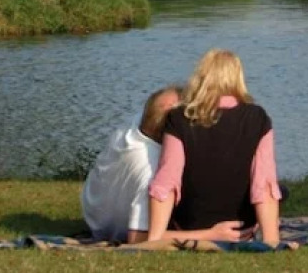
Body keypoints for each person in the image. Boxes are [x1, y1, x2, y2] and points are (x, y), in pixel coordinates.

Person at [147, 49, 281, 248]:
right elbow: (263, 184)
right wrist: (271, 240)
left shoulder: (179, 119)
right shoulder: (257, 119)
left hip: (188, 225)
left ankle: (169, 235)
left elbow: (167, 181)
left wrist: (155, 236)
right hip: (240, 230)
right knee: (278, 190)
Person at [81, 86, 243, 244]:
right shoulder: (153, 173)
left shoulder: (135, 125)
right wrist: (211, 235)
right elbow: (139, 238)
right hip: (109, 228)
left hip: (93, 210)